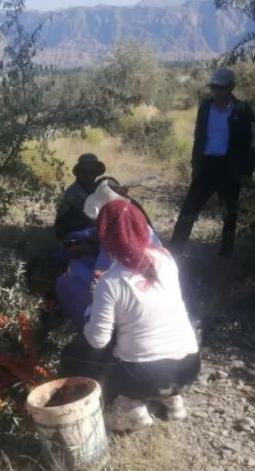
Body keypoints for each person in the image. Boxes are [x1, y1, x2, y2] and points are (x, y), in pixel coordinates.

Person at [61, 199, 200, 432]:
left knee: (75, 357)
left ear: (105, 234)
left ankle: (130, 408)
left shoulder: (111, 281)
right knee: (153, 352)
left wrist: (89, 313)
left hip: (146, 375)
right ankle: (172, 399)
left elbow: (97, 340)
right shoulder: (165, 258)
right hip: (189, 368)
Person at [169, 67, 255, 257]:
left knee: (229, 212)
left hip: (230, 167)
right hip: (207, 166)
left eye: (221, 87)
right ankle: (174, 250)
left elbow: (252, 142)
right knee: (188, 209)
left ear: (231, 87)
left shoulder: (242, 110)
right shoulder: (205, 107)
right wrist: (195, 164)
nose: (217, 91)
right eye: (214, 87)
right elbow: (198, 137)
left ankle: (226, 253)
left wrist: (247, 171)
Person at [55, 179, 162, 328]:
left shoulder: (113, 243)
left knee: (63, 283)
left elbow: (99, 281)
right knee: (86, 260)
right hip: (147, 292)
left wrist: (74, 266)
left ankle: (81, 326)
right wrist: (84, 235)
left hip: (124, 299)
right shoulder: (132, 217)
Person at [54, 153, 107, 240]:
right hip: (75, 236)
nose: (89, 175)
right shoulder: (72, 193)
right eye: (85, 172)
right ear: (79, 173)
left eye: (93, 172)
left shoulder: (96, 189)